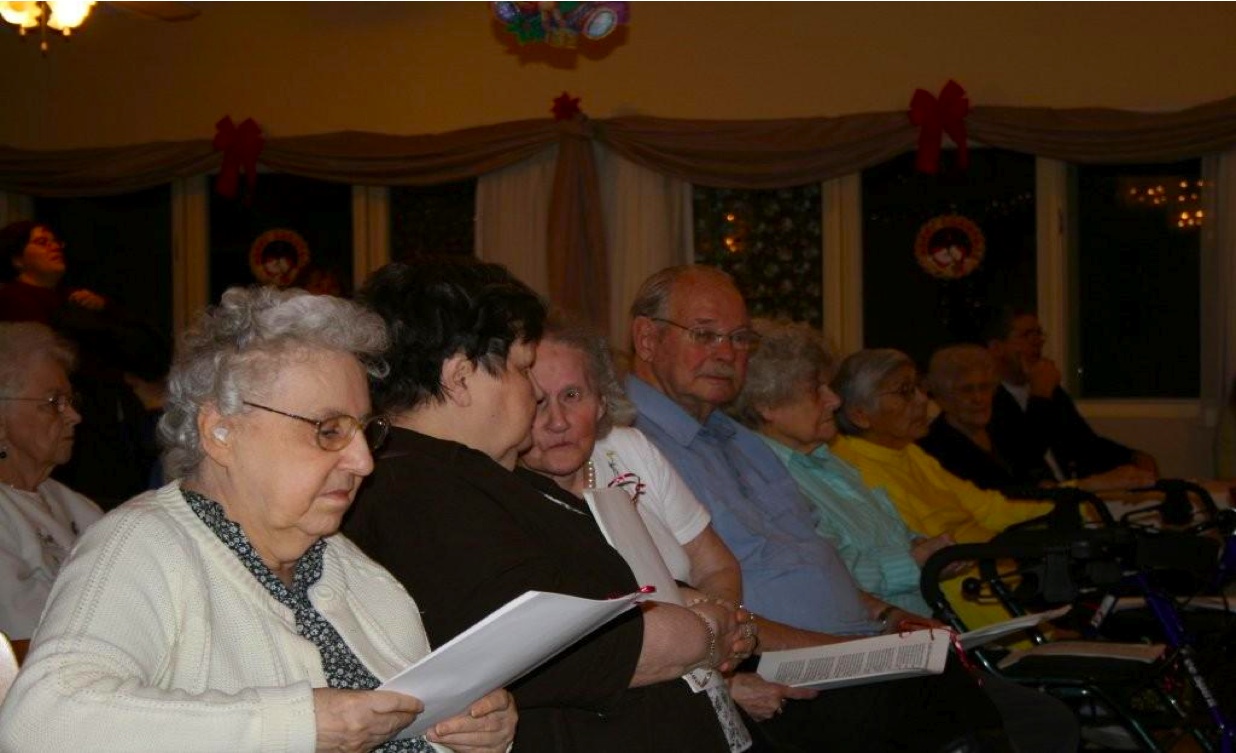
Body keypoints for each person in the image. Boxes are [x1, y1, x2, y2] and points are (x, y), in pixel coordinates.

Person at [0, 287, 516, 753]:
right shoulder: (143, 545)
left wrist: (473, 734)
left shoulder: (357, 575)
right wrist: (296, 725)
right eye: (328, 430)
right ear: (221, 432)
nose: (363, 460)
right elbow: (39, 725)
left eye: (363, 430)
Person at [624, 265, 1073, 753]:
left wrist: (888, 617)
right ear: (647, 339)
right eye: (705, 334)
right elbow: (675, 603)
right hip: (772, 666)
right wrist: (849, 651)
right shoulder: (626, 446)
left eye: (739, 338)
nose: (726, 353)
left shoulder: (740, 441)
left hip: (850, 649)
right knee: (968, 714)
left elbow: (814, 557)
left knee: (1031, 718)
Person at [344, 257, 750, 753]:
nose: (534, 391)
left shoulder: (468, 475)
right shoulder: (417, 491)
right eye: (520, 367)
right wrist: (701, 633)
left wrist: (686, 607)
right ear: (459, 376)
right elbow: (566, 651)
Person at [0, 219, 169, 509]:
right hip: (63, 421)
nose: (54, 247)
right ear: (17, 259)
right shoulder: (9, 299)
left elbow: (150, 353)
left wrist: (105, 311)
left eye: (56, 241)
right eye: (41, 242)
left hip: (112, 419)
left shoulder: (82, 300)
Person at [830, 348, 1056, 545]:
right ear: (860, 414)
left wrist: (1073, 505)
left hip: (995, 567)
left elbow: (989, 508)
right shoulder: (853, 470)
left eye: (918, 388)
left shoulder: (910, 451)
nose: (922, 400)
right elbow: (924, 551)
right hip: (965, 582)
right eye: (905, 391)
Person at [920, 343, 1155, 493]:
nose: (979, 398)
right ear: (942, 398)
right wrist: (1087, 486)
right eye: (966, 390)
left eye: (985, 387)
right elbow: (1003, 501)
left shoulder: (998, 429)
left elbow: (1039, 464)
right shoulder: (936, 447)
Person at [0, 322, 103, 640]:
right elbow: (24, 635)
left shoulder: (79, 507)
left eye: (70, 401)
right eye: (53, 402)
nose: (74, 416)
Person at [984, 307, 1158, 484]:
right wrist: (1040, 396)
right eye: (1027, 335)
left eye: (1039, 334)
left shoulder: (1052, 392)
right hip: (1034, 500)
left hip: (1074, 492)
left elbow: (1086, 444)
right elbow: (1025, 457)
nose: (1037, 342)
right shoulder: (986, 400)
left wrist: (1132, 457)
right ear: (996, 348)